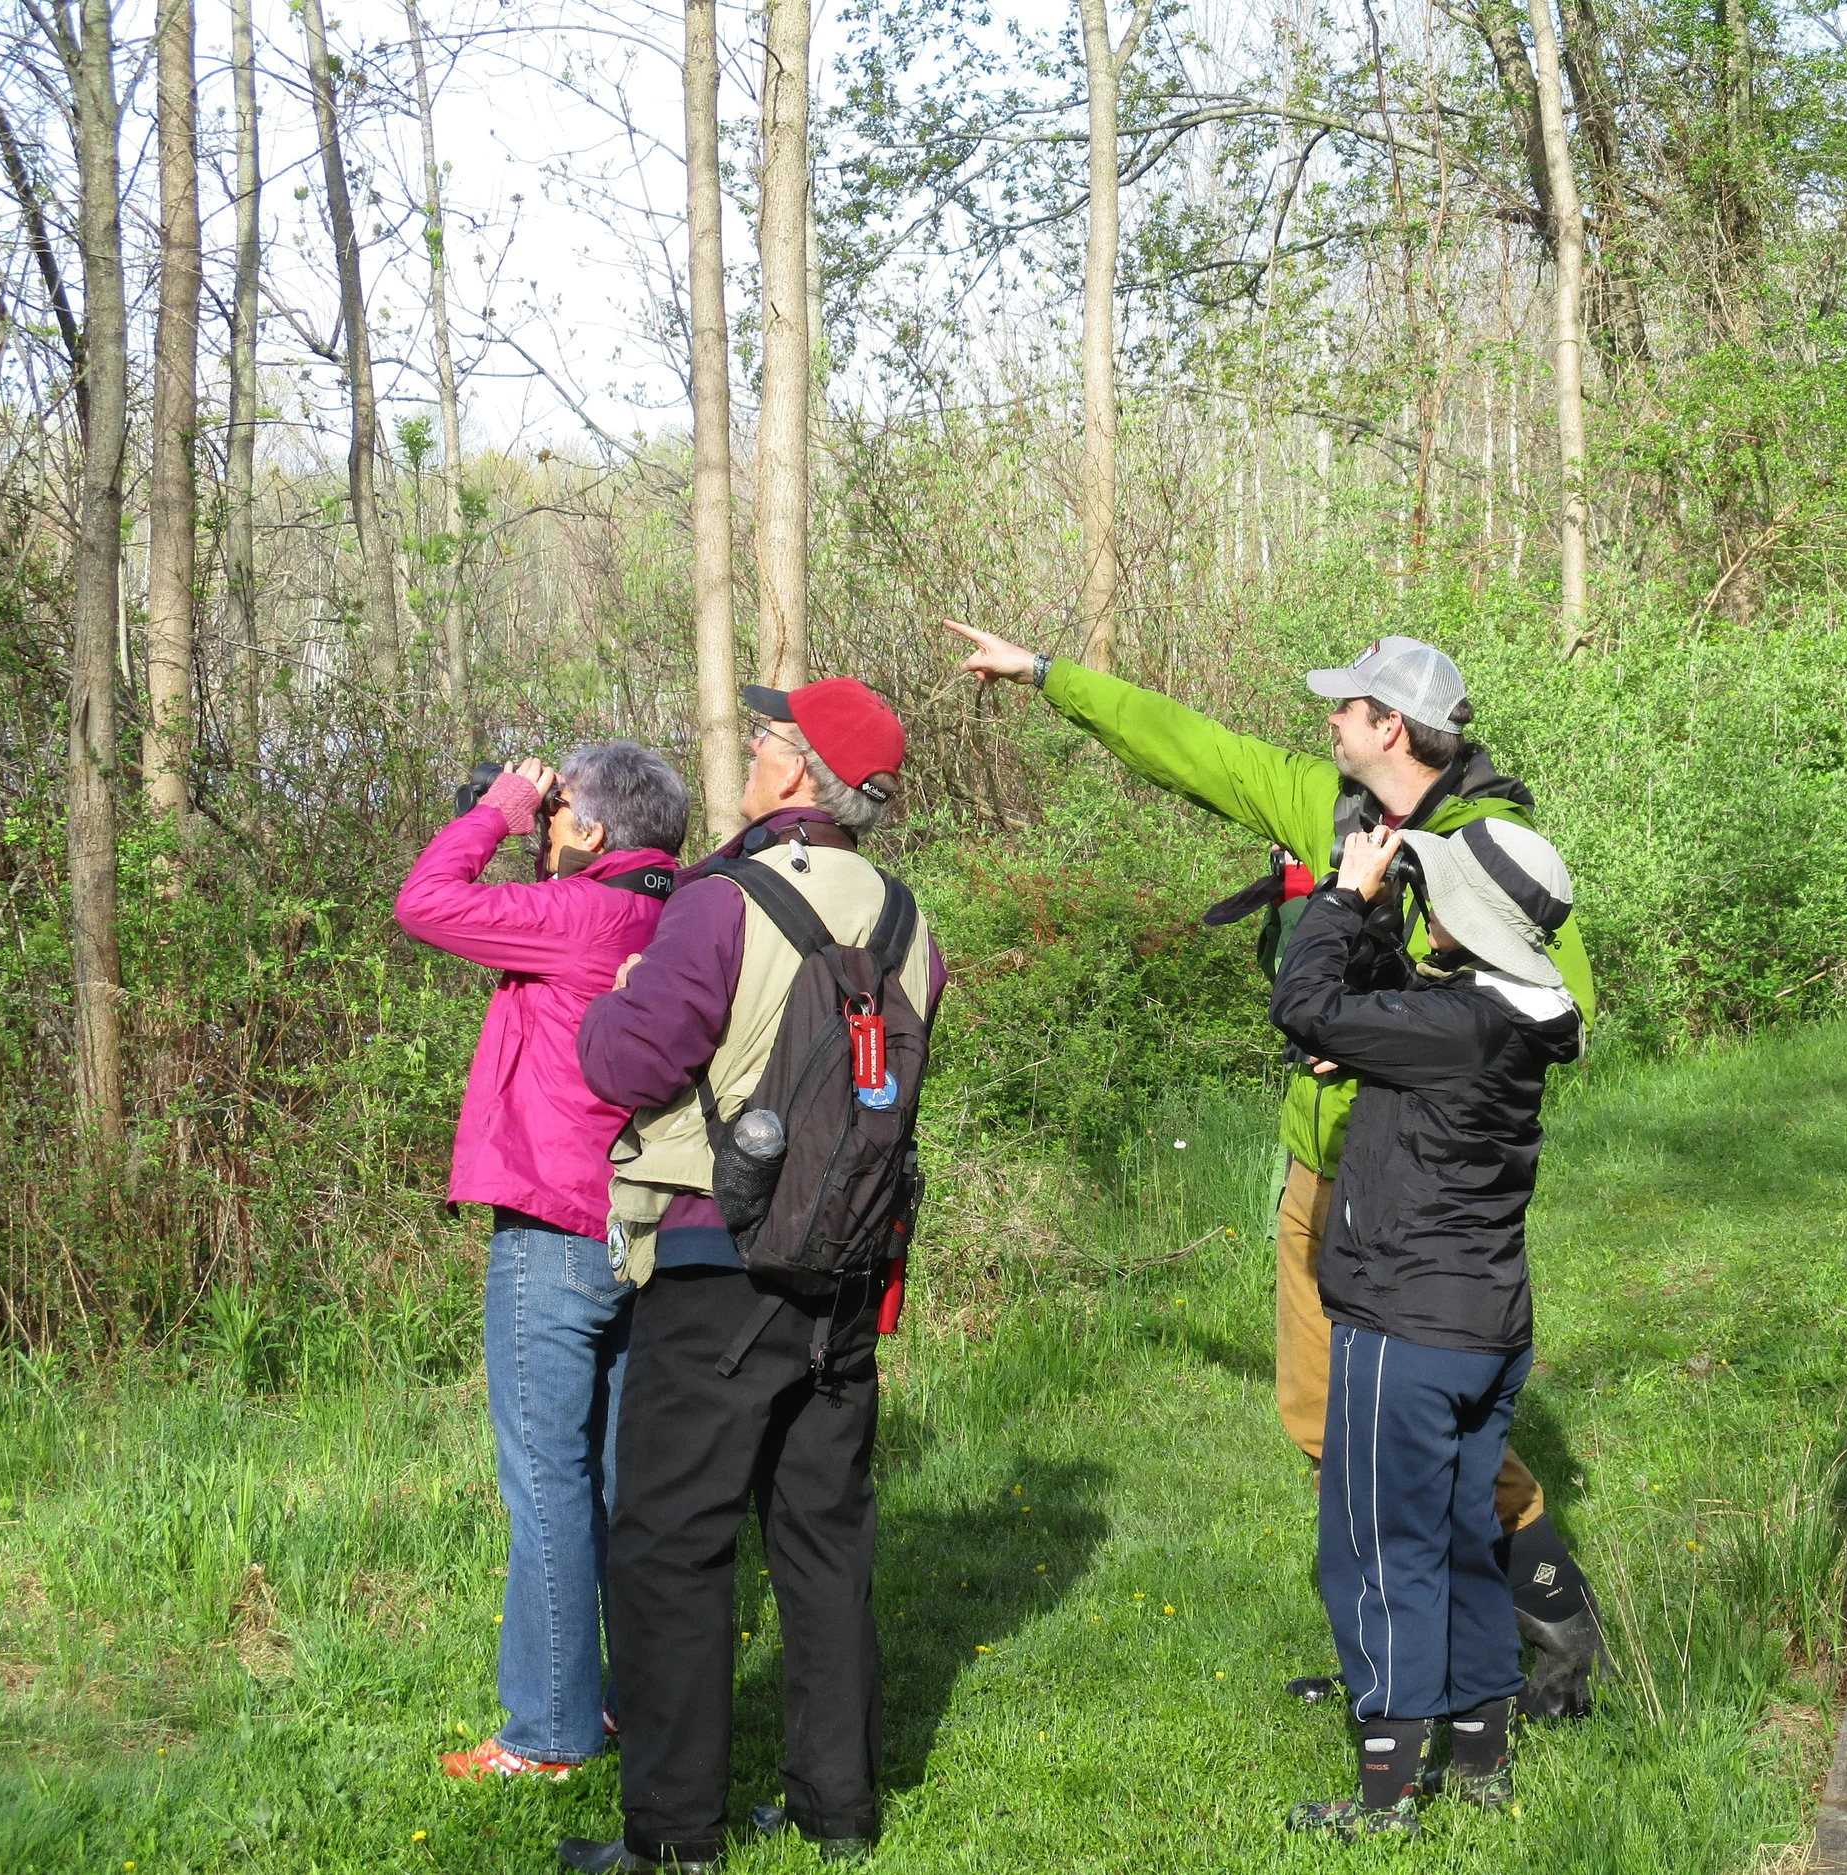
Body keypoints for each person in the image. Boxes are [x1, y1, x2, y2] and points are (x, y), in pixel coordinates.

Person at [947, 619, 1604, 1716]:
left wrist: (1396, 1030)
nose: (1326, 720)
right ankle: (1391, 1644)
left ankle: (1554, 1630)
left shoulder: (1490, 848)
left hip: (1419, 1198)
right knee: (1319, 1419)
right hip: (1320, 1174)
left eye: (1343, 706)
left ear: (1390, 727)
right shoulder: (1334, 808)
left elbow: (1558, 1011)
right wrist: (1048, 676)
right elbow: (1195, 749)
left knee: (1434, 1440)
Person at [559, 678, 943, 1874]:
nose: (751, 747)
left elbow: (631, 1063)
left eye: (767, 734)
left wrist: (609, 1007)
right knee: (822, 1535)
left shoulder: (722, 901)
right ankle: (838, 1810)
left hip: (716, 1254)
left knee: (668, 1540)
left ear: (792, 771)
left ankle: (673, 1834)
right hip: (849, 1259)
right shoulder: (907, 918)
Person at [1269, 819, 1584, 1840]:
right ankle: (1482, 1762)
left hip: (1406, 1325)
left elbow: (1302, 1003)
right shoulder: (1501, 1013)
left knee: (1377, 1550)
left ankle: (1387, 1793)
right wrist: (1371, 950)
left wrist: (1342, 896)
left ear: (1469, 917)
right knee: (1459, 1541)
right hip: (1486, 1325)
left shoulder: (1456, 1024)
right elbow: (1374, 1008)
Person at [394, 742, 691, 1780]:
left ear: (594, 829)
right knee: (610, 1480)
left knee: (546, 1482)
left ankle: (546, 1732)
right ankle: (618, 1702)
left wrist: (500, 807)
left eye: (559, 809)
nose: (543, 819)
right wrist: (542, 828)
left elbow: (426, 903)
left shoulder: (575, 916)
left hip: (553, 1224)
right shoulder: (680, 912)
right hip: (642, 1224)